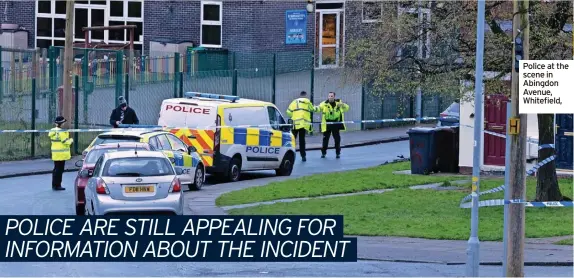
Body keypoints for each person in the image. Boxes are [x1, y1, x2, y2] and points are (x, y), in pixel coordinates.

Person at [286, 91, 318, 162]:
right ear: (305, 95)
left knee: (292, 140)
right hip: (303, 124)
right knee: (302, 140)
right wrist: (317, 107)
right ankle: (303, 156)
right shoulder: (307, 102)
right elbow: (313, 109)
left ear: (300, 95)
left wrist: (293, 116)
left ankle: (290, 156)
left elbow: (288, 112)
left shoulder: (294, 102)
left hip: (295, 124)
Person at [317, 92, 349, 159]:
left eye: (331, 96)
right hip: (327, 124)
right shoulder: (324, 103)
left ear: (334, 97)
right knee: (325, 139)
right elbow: (319, 108)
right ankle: (323, 153)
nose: (330, 97)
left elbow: (347, 108)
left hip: (335, 123)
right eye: (329, 96)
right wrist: (313, 108)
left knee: (337, 139)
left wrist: (343, 105)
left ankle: (338, 153)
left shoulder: (338, 103)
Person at [48, 116, 74, 191]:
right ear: (62, 123)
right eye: (64, 122)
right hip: (62, 154)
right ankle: (58, 185)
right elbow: (66, 142)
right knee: (60, 170)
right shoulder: (62, 132)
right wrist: (71, 140)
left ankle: (54, 184)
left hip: (56, 154)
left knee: (56, 169)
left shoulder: (54, 131)